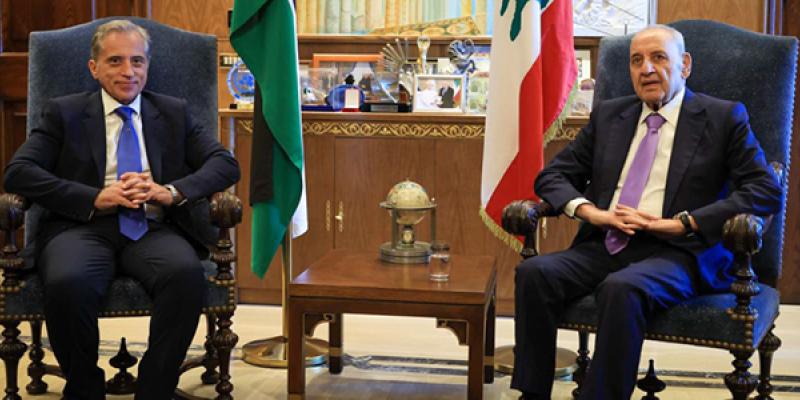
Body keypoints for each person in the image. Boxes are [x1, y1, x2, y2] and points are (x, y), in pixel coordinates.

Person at [512, 25, 781, 400]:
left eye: (658, 58)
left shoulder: (723, 117)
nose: (647, 69)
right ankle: (532, 394)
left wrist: (683, 223)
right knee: (534, 273)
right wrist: (593, 213)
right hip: (608, 241)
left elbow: (765, 189)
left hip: (679, 252)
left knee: (622, 288)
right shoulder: (611, 116)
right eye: (637, 60)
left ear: (684, 65)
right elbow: (552, 176)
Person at [3, 20, 240, 400]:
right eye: (115, 61)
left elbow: (224, 163)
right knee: (68, 282)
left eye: (137, 61)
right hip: (80, 227)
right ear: (94, 68)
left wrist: (170, 192)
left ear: (147, 65)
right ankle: (84, 390)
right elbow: (19, 172)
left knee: (184, 276)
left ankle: (156, 388)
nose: (128, 71)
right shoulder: (64, 113)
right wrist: (94, 197)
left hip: (151, 226)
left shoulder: (172, 112)